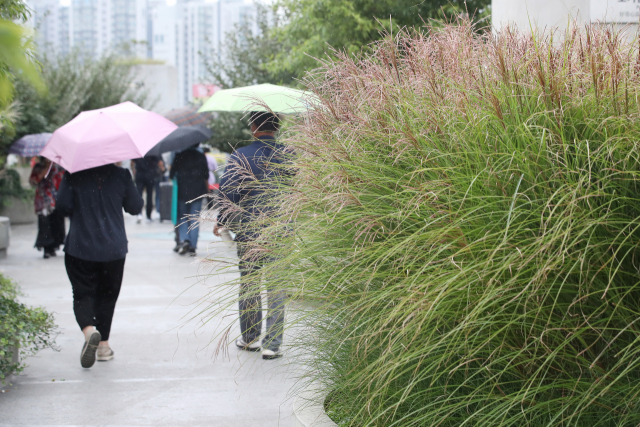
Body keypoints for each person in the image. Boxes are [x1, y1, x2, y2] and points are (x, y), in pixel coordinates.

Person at [214, 112, 289, 360]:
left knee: (250, 283)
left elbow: (228, 193)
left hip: (250, 229)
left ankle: (250, 338)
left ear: (254, 128)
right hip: (282, 229)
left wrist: (222, 221)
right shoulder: (290, 156)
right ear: (276, 127)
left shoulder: (241, 156)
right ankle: (272, 344)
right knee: (277, 286)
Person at [56, 163, 143, 368]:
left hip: (80, 246)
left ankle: (89, 332)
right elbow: (135, 206)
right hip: (113, 248)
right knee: (108, 296)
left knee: (82, 293)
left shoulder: (73, 173)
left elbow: (62, 206)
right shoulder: (121, 175)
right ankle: (103, 346)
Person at [169, 144, 209, 256]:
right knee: (194, 219)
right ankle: (193, 246)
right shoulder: (201, 156)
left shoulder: (179, 155)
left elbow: (171, 174)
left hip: (182, 191)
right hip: (197, 191)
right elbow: (206, 174)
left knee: (183, 217)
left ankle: (185, 239)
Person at [29, 158, 66, 258]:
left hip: (56, 199)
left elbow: (63, 182)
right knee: (44, 224)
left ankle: (54, 247)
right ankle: (46, 248)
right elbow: (32, 182)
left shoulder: (58, 167)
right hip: (43, 200)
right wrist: (43, 173)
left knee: (57, 223)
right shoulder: (38, 167)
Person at [131, 155, 164, 223]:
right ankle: (148, 216)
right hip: (150, 174)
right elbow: (160, 162)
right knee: (149, 195)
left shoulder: (138, 149)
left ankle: (139, 213)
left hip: (139, 174)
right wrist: (162, 169)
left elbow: (132, 162)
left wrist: (133, 170)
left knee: (139, 195)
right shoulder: (152, 150)